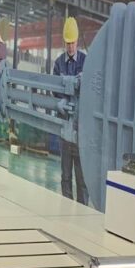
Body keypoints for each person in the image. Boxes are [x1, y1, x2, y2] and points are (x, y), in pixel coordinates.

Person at [52, 16, 88, 204]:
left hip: (81, 129)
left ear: (77, 40)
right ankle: (66, 208)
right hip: (65, 126)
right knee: (65, 175)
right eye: (68, 43)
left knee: (82, 178)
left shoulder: (86, 61)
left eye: (73, 43)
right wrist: (61, 101)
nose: (71, 47)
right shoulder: (59, 63)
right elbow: (54, 88)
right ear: (64, 42)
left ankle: (83, 209)